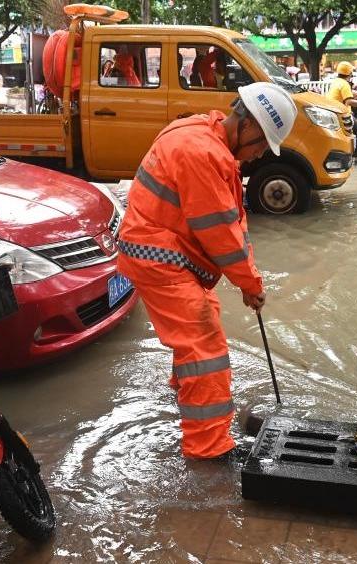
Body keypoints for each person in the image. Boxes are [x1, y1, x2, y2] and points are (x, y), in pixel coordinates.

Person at [116, 82, 297, 460]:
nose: (259, 155)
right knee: (206, 348)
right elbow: (220, 234)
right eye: (261, 145)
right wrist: (249, 285)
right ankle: (208, 450)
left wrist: (250, 279)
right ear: (247, 127)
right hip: (159, 255)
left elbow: (233, 223)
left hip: (168, 250)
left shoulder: (206, 135)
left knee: (205, 316)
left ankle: (184, 387)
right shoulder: (201, 153)